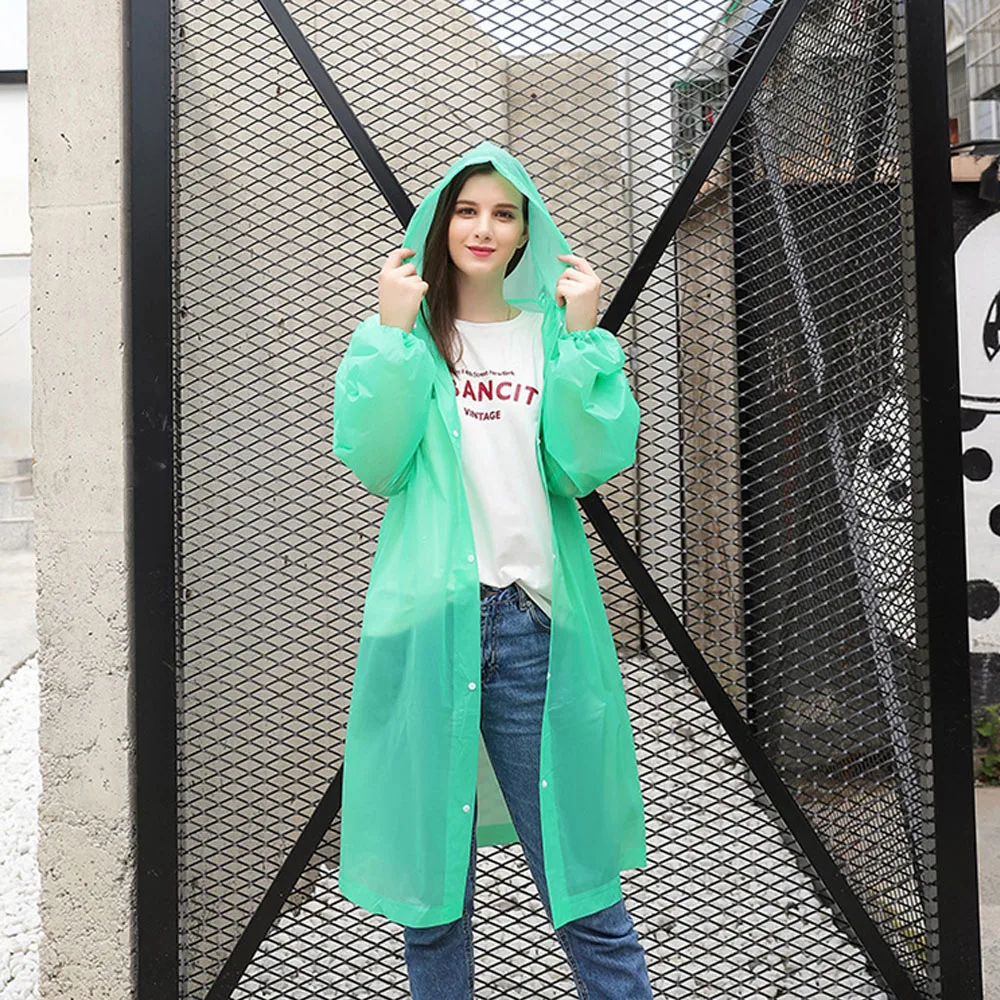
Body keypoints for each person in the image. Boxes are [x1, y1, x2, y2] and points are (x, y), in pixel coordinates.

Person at [332, 140, 653, 999]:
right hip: (428, 621)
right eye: (467, 210)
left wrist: (583, 340)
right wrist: (391, 333)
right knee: (432, 901)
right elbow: (375, 461)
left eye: (504, 213)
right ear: (441, 224)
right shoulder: (403, 339)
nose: (484, 227)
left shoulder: (549, 338)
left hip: (529, 625)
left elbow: (582, 466)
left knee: (584, 887)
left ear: (525, 233)